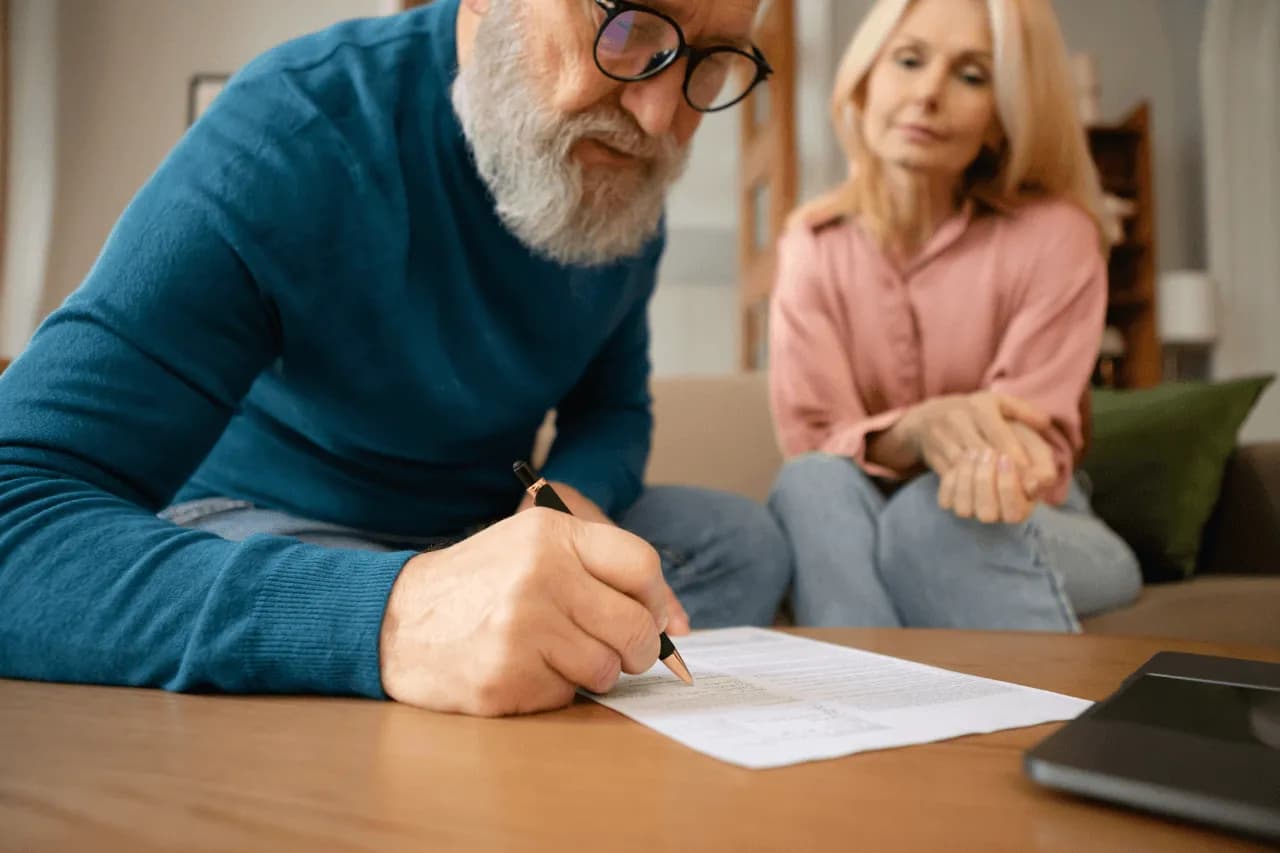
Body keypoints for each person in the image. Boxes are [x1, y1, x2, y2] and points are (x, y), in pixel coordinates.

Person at [0, 0, 791, 717]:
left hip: (477, 527)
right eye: (626, 27)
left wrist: (572, 492)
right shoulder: (292, 129)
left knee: (741, 540)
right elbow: (14, 511)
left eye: (712, 60)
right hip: (275, 527)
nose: (659, 117)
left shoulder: (621, 180)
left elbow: (613, 405)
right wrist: (393, 615)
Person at [766, 0, 1141, 631]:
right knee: (810, 485)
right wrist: (917, 429)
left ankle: (1049, 727)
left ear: (1002, 116)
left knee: (930, 519)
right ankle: (859, 715)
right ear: (864, 80)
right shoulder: (813, 243)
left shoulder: (1058, 235)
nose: (928, 94)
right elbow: (814, 439)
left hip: (1034, 516)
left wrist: (979, 457)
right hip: (859, 511)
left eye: (972, 76)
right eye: (908, 61)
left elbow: (1025, 436)